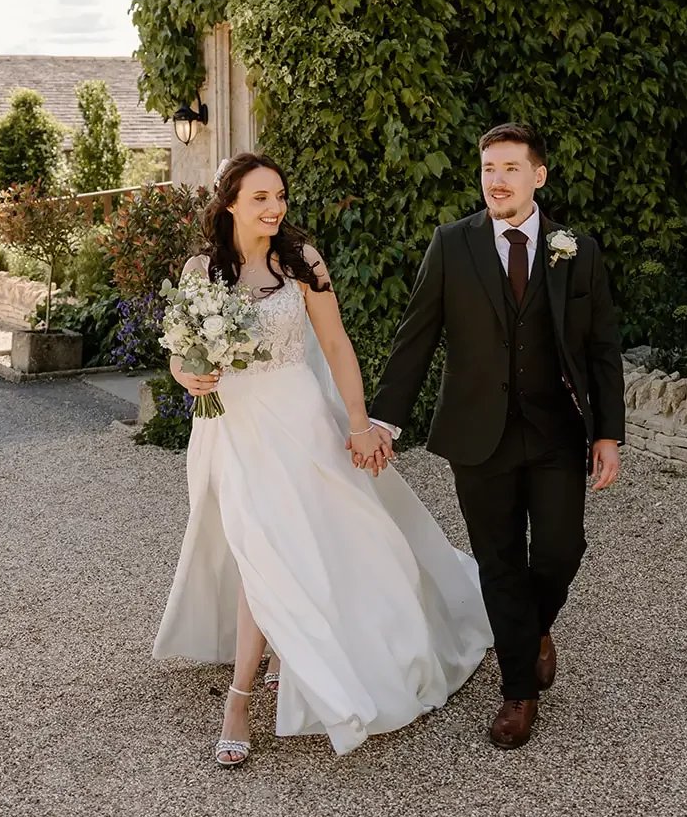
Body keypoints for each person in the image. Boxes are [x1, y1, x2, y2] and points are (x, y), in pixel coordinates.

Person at [153, 152, 492, 764]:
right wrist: (186, 376)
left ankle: (253, 686)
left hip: (300, 419)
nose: (274, 207)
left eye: (279, 195)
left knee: (296, 544)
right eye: (260, 198)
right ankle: (247, 689)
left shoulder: (303, 262)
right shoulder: (201, 269)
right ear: (229, 202)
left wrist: (360, 426)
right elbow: (182, 351)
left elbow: (335, 345)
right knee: (262, 548)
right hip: (233, 429)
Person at [368, 123, 625, 749]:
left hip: (557, 430)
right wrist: (383, 419)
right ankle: (518, 691)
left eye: (510, 168)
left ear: (537, 176)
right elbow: (417, 336)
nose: (496, 180)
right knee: (500, 562)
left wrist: (609, 434)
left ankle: (533, 628)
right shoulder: (452, 245)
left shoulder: (575, 249)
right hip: (477, 432)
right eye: (488, 169)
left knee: (563, 547)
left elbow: (601, 350)